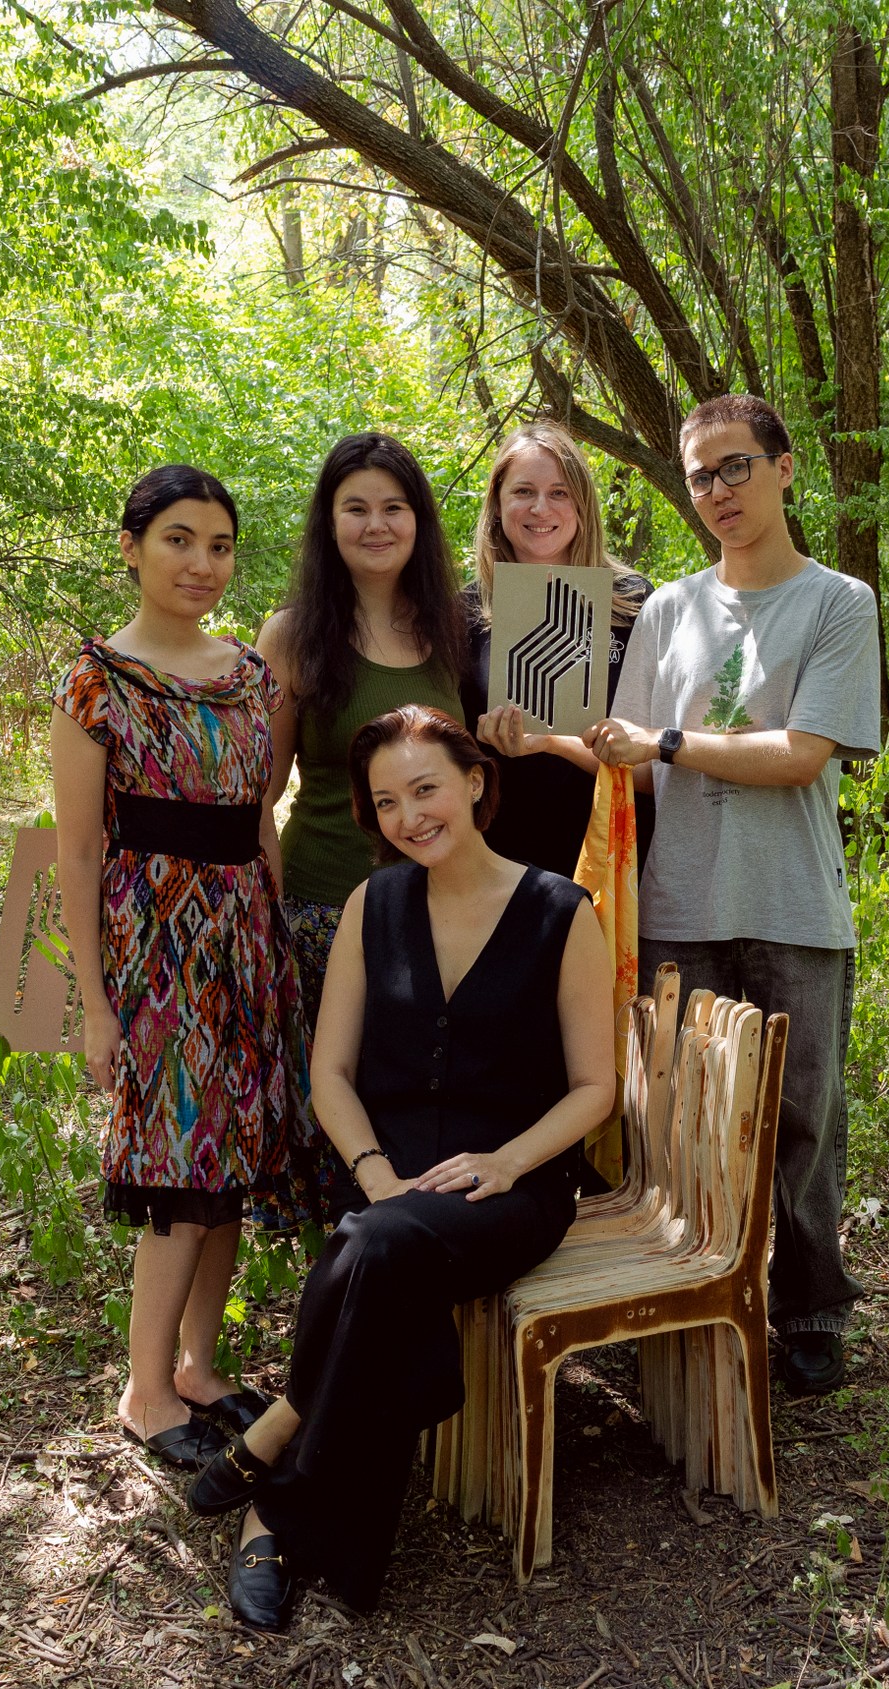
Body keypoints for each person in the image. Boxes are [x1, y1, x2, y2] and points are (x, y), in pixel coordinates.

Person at [185, 706, 614, 1628]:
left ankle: (279, 1458)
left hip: (511, 1187)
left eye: (426, 789)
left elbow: (595, 1088)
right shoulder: (370, 907)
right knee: (382, 1245)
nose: (409, 816)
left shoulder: (560, 911)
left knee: (375, 1247)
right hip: (389, 1183)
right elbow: (330, 1075)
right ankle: (288, 1486)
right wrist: (376, 1173)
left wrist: (509, 1159)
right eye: (386, 801)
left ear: (475, 781)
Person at [584, 394, 883, 1398]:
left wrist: (668, 741)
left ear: (784, 467)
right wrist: (525, 739)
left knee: (801, 1120)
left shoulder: (838, 603)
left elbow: (800, 754)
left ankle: (809, 1310)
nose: (717, 490)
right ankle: (689, 1298)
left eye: (735, 466)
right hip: (680, 904)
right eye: (700, 475)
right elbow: (624, 761)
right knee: (680, 1120)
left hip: (794, 903)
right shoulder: (668, 609)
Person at [52, 465, 304, 1470]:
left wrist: (273, 945)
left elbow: (258, 818)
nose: (202, 563)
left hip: (244, 943)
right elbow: (75, 854)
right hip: (154, 952)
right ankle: (145, 1389)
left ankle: (198, 1365)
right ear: (132, 547)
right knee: (177, 1166)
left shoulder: (249, 675)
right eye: (179, 540)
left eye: (220, 545)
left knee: (228, 1163)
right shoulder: (96, 681)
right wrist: (94, 1004)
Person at [258, 433, 485, 1221]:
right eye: (356, 508)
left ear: (419, 520)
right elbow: (260, 795)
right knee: (336, 1124)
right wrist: (268, 915)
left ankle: (414, 1263)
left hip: (434, 921)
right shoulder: (290, 636)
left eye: (394, 507)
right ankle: (341, 1276)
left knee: (420, 1119)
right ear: (329, 522)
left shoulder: (451, 629)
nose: (377, 524)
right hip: (322, 913)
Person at [463, 421, 657, 876]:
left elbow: (657, 759)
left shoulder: (635, 601)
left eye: (559, 492)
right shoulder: (462, 612)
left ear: (582, 505)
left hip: (613, 856)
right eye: (523, 491)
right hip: (502, 860)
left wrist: (553, 742)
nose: (540, 508)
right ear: (497, 506)